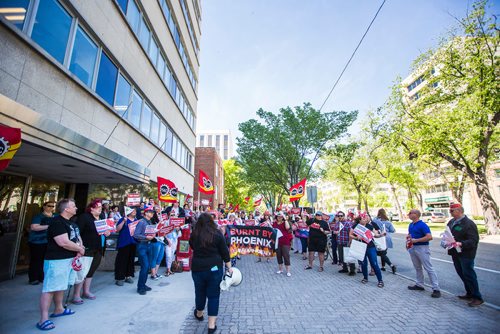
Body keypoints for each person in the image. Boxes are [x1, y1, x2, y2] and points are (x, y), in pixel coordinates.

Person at [36, 198, 84, 331]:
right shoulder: (57, 222)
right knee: (50, 288)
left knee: (61, 286)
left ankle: (59, 309)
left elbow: (76, 239)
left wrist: (80, 249)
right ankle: (43, 319)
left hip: (69, 259)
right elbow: (63, 242)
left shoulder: (72, 223)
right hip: (56, 260)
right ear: (66, 209)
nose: (76, 208)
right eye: (73, 206)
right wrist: (79, 249)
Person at [190, 213, 232, 334]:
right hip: (214, 268)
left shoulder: (194, 234)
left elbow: (192, 247)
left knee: (200, 292)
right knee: (213, 296)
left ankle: (199, 313)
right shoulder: (217, 234)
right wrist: (229, 268)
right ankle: (211, 326)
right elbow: (225, 252)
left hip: (198, 268)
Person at [72, 199, 110, 304]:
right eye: (98, 207)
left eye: (101, 207)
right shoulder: (84, 217)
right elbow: (78, 232)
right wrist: (80, 246)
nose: (100, 209)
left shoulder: (102, 217)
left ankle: (86, 291)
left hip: (99, 247)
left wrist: (107, 232)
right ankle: (76, 294)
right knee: (82, 272)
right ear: (91, 208)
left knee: (91, 271)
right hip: (87, 248)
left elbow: (105, 230)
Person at [447, 203, 483, 307]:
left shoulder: (468, 223)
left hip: (466, 253)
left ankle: (477, 297)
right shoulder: (452, 222)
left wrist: (461, 243)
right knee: (461, 273)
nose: (450, 213)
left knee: (469, 274)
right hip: (455, 252)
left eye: (452, 211)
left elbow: (473, 240)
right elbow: (448, 233)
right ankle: (469, 293)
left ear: (459, 211)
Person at [407, 209, 441, 298]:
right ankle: (419, 284)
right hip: (413, 247)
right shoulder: (411, 225)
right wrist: (408, 242)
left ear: (416, 215)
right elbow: (410, 235)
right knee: (417, 267)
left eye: (410, 213)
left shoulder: (422, 225)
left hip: (422, 247)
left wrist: (417, 240)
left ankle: (436, 288)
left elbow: (429, 237)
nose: (408, 214)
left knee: (428, 267)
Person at [349, 213, 385, 288]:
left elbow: (375, 235)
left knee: (374, 263)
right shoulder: (355, 226)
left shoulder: (370, 226)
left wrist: (381, 234)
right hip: (361, 246)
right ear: (360, 220)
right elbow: (350, 234)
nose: (365, 219)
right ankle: (365, 278)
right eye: (363, 218)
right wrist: (356, 237)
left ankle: (380, 280)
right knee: (363, 263)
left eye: (366, 218)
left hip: (370, 247)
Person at [28, 201, 55, 285]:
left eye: (52, 206)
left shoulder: (56, 216)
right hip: (37, 241)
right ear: (44, 207)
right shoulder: (39, 216)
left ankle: (42, 277)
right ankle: (33, 278)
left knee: (46, 261)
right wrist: (49, 226)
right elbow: (34, 227)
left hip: (49, 242)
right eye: (49, 206)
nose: (51, 207)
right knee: (36, 260)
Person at [134, 205, 155, 295]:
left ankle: (143, 284)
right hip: (142, 245)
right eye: (150, 212)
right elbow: (136, 235)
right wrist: (146, 237)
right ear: (146, 213)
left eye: (152, 212)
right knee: (145, 266)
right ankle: (140, 287)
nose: (152, 213)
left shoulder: (149, 222)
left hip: (148, 245)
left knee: (147, 267)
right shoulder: (142, 222)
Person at [114, 207, 137, 286]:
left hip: (133, 243)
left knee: (130, 261)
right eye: (132, 210)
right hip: (124, 243)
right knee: (121, 261)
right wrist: (123, 221)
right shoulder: (123, 219)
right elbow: (117, 229)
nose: (134, 212)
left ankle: (128, 276)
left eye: (135, 211)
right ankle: (119, 278)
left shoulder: (136, 220)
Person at [372, 208, 397, 274]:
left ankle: (388, 266)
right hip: (386, 238)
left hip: (379, 238)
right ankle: (385, 266)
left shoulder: (375, 220)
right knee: (383, 253)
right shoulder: (388, 222)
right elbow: (393, 230)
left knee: (382, 253)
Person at [334, 211, 355, 275]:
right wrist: (335, 232)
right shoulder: (337, 223)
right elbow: (334, 230)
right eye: (338, 216)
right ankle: (345, 268)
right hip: (340, 242)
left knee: (349, 256)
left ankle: (352, 270)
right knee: (342, 256)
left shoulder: (348, 223)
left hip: (346, 242)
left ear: (344, 216)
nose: (340, 217)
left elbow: (351, 233)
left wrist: (350, 242)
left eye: (341, 216)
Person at [273, 212, 293, 276]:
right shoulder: (274, 223)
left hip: (285, 242)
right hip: (277, 242)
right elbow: (272, 231)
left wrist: (285, 219)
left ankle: (288, 271)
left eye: (281, 217)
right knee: (278, 255)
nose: (279, 218)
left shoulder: (285, 222)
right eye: (278, 216)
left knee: (286, 255)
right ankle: (280, 269)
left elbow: (287, 228)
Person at [149, 205, 165, 280]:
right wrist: (158, 226)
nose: (157, 210)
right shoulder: (151, 220)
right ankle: (153, 274)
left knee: (160, 257)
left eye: (159, 209)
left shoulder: (161, 217)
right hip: (155, 240)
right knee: (154, 257)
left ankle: (156, 272)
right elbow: (150, 230)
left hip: (162, 240)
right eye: (156, 209)